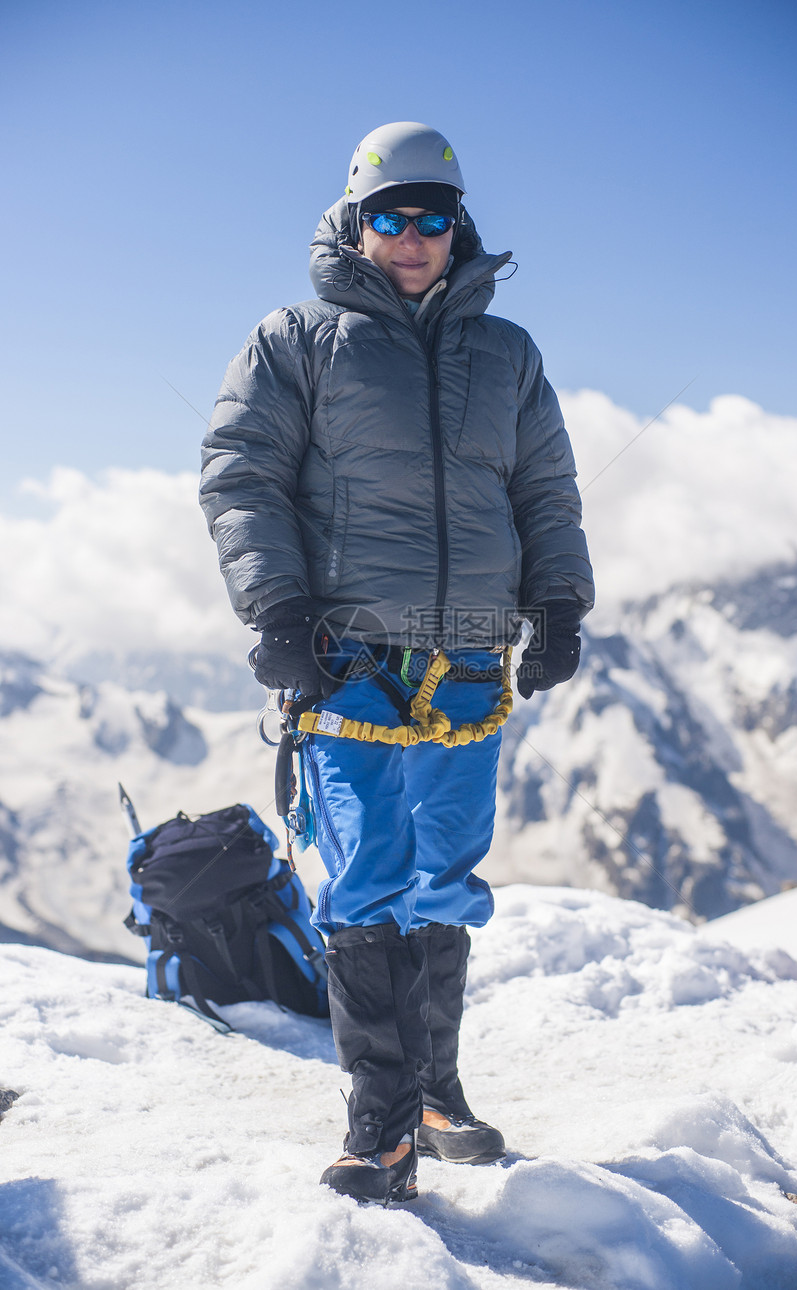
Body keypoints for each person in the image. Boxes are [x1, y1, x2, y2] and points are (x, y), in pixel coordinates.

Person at [200, 121, 594, 1204]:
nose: (412, 236)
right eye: (391, 215)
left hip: (469, 657)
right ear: (356, 220)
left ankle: (434, 1090)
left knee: (447, 875)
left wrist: (556, 600)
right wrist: (275, 605)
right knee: (367, 872)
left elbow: (545, 493)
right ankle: (377, 1122)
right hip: (348, 657)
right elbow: (241, 478)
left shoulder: (506, 355)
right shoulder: (295, 341)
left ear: (456, 225)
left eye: (432, 217)